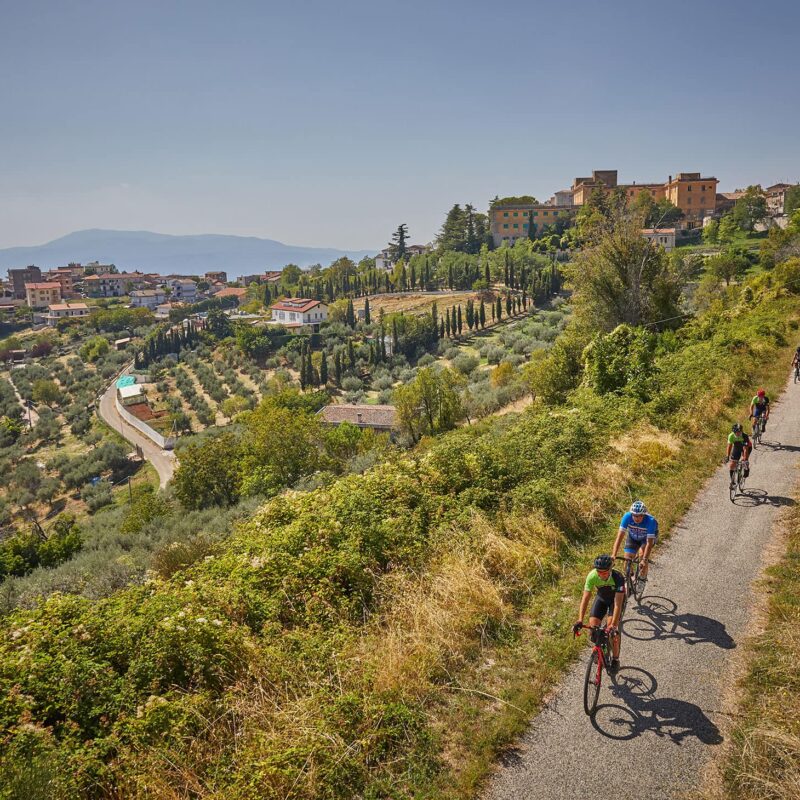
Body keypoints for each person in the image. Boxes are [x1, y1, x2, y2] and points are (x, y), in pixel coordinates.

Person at [573, 554, 624, 672]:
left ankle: (616, 659)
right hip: (601, 598)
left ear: (611, 569)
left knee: (613, 633)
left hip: (615, 601)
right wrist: (580, 619)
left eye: (605, 572)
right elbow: (585, 598)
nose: (601, 575)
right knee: (593, 629)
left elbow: (617, 604)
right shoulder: (592, 576)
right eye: (599, 572)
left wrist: (614, 626)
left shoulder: (618, 577)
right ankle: (600, 648)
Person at [611, 500, 658, 582]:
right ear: (631, 514)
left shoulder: (650, 521)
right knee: (627, 559)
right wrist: (613, 555)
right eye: (635, 515)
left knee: (642, 554)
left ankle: (642, 578)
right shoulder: (627, 517)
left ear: (644, 515)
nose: (637, 518)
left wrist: (644, 559)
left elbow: (649, 543)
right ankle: (630, 579)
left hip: (646, 539)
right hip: (632, 537)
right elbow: (619, 538)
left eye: (640, 516)